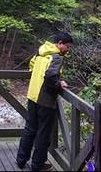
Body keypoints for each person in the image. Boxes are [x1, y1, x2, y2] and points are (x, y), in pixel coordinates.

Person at [16, 32, 74, 171]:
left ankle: (21, 160)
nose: (68, 49)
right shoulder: (56, 58)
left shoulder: (41, 52)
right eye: (67, 46)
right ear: (60, 43)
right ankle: (37, 165)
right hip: (45, 100)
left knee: (29, 129)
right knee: (43, 133)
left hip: (32, 95)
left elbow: (31, 66)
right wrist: (59, 84)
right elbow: (50, 77)